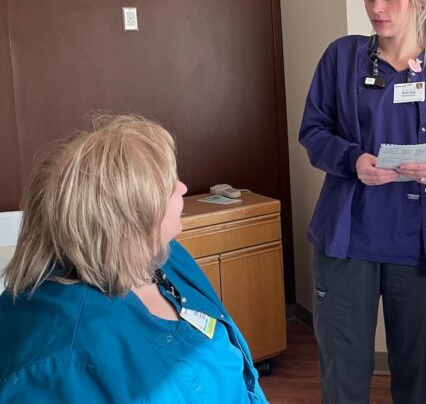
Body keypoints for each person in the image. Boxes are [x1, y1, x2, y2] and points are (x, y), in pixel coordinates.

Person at [299, 0, 426, 403]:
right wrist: (353, 161)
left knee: (415, 377)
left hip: (418, 246)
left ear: (418, 0)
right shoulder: (342, 58)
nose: (376, 8)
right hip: (348, 239)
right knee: (344, 374)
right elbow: (313, 131)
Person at [0, 115, 268, 403]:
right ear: (127, 220)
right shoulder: (60, 362)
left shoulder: (168, 258)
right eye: (168, 186)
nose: (183, 188)